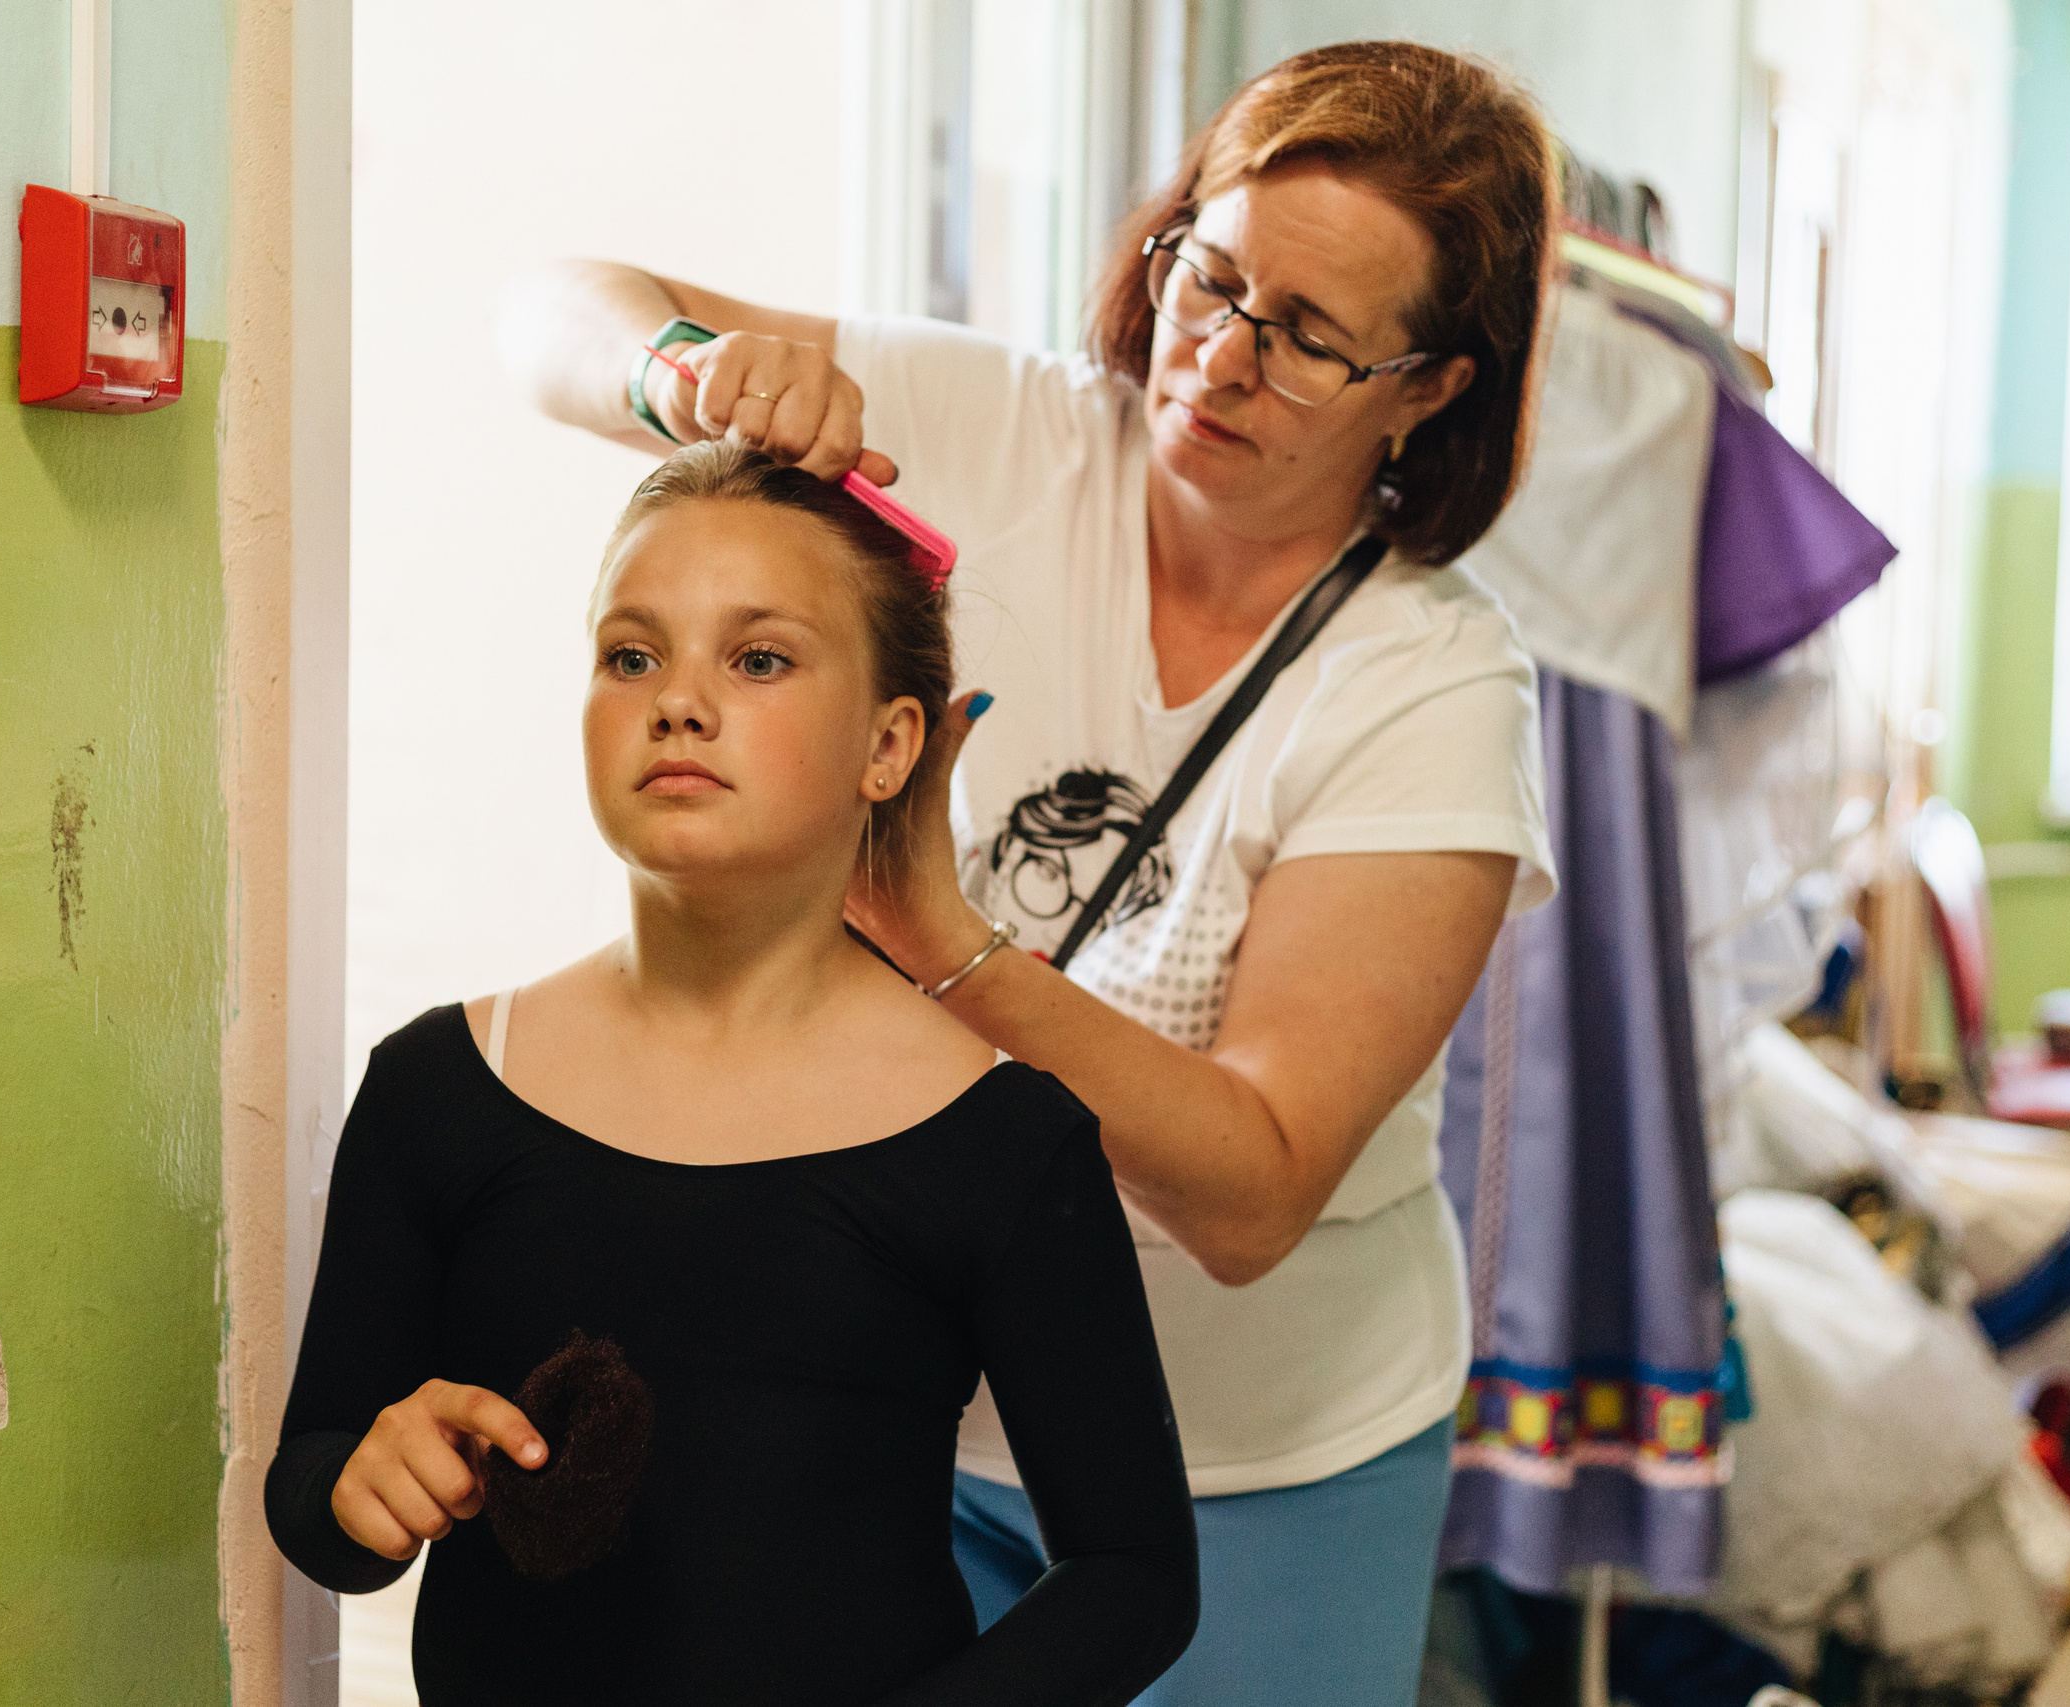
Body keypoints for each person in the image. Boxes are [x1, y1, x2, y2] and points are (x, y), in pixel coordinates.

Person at [501, 42, 1556, 1707]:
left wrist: (942, 940)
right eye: (1209, 279)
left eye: (1310, 340)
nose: (1220, 358)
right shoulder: (1008, 434)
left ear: (1429, 386)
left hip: (1258, 1466)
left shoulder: (1434, 686)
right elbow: (552, 310)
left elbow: (1257, 1184)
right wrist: (690, 379)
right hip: (897, 1396)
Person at [263, 443, 1199, 1706]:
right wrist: (360, 1481)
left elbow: (1134, 1572)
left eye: (757, 660)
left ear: (890, 745)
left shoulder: (1005, 1141)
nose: (678, 701)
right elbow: (315, 1488)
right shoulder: (439, 1087)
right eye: (630, 655)